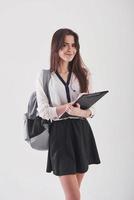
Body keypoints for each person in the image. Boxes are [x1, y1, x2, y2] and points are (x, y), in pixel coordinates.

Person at [35, 28, 100, 200]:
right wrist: (66, 107)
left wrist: (80, 112)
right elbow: (43, 111)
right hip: (60, 134)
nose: (70, 49)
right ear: (56, 47)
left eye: (73, 45)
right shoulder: (45, 76)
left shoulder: (83, 74)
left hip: (81, 132)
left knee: (74, 195)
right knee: (73, 196)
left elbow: (92, 111)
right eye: (65, 45)